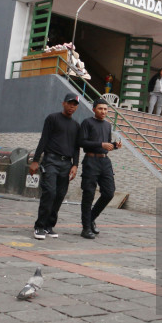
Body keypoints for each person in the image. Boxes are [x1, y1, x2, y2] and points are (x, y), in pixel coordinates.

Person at [29, 94, 82, 240]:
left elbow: (77, 147)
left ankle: (49, 226)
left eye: (75, 105)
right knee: (50, 192)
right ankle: (39, 226)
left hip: (66, 164)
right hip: (51, 160)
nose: (72, 107)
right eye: (70, 103)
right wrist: (35, 161)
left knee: (59, 195)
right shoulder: (52, 118)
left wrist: (75, 165)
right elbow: (43, 139)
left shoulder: (76, 126)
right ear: (63, 103)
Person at [78, 98, 122, 239]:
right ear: (94, 109)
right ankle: (86, 228)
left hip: (105, 162)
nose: (103, 111)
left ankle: (90, 219)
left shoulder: (107, 125)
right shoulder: (87, 122)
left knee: (109, 193)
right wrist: (102, 144)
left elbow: (106, 144)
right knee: (88, 194)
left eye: (105, 109)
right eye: (100, 109)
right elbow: (81, 142)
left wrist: (114, 145)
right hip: (91, 161)